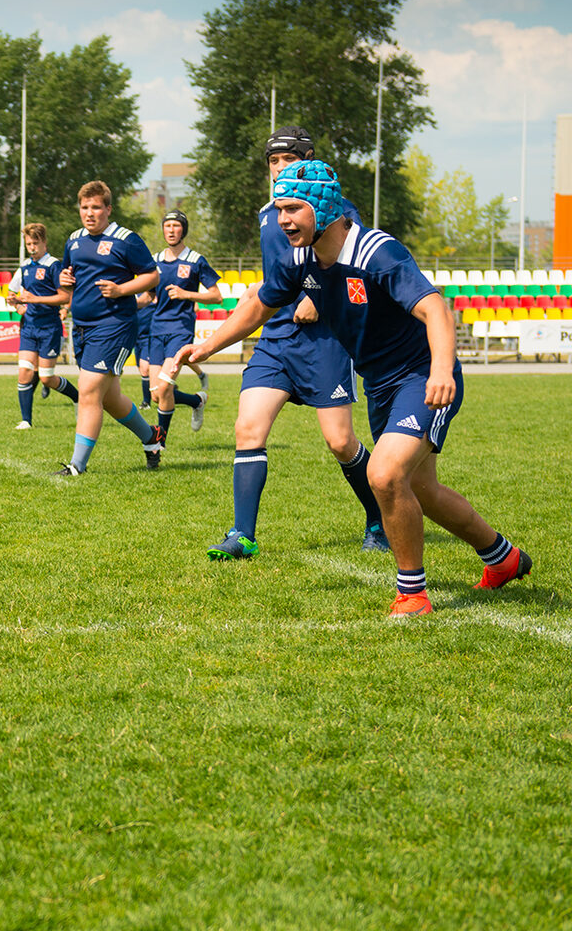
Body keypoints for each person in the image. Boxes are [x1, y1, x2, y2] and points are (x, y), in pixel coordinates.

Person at [171, 161, 532, 616]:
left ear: (322, 207)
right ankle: (503, 559)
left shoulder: (376, 252)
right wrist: (208, 346)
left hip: (423, 378)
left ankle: (412, 594)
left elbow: (436, 309)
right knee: (422, 490)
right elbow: (259, 307)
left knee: (384, 474)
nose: (282, 219)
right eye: (280, 208)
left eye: (293, 209)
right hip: (382, 385)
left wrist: (442, 368)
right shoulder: (298, 258)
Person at [203, 126, 388, 561]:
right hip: (276, 339)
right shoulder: (270, 214)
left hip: (325, 342)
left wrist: (313, 297)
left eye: (288, 159)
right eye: (273, 161)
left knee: (341, 442)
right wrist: (257, 293)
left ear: (308, 160)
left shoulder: (338, 209)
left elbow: (346, 266)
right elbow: (277, 277)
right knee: (247, 428)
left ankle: (378, 517)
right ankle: (242, 536)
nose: (279, 167)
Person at [51, 181, 163, 476]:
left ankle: (77, 465)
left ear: (108, 209)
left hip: (114, 325)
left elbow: (152, 276)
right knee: (110, 398)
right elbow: (69, 279)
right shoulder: (74, 240)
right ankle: (151, 437)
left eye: (96, 207)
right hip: (83, 327)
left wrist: (121, 289)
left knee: (88, 391)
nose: (90, 213)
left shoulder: (126, 240)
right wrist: (65, 283)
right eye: (84, 207)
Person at [146, 210, 221, 448]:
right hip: (156, 329)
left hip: (180, 328)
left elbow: (216, 296)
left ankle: (160, 443)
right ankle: (196, 401)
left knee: (165, 385)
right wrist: (118, 297)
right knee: (156, 393)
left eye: (175, 226)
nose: (170, 229)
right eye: (167, 225)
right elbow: (147, 296)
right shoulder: (154, 260)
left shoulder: (195, 260)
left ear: (183, 230)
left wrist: (186, 294)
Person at [9, 222, 79, 430]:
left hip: (49, 328)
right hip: (29, 327)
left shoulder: (53, 265)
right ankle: (26, 421)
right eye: (29, 243)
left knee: (47, 378)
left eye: (36, 243)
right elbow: (12, 293)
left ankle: (77, 398)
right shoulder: (24, 267)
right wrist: (16, 305)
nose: (32, 247)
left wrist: (35, 300)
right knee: (24, 372)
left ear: (44, 243)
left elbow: (65, 297)